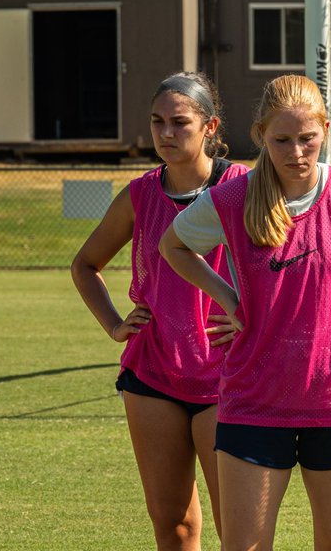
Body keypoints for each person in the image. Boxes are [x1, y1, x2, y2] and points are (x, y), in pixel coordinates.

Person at [159, 74, 331, 550]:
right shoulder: (232, 198)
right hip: (254, 403)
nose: (296, 152)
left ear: (325, 130)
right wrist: (228, 297)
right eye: (281, 139)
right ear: (261, 135)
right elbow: (174, 246)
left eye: (307, 138)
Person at [71, 72, 245, 550]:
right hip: (152, 374)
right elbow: (85, 265)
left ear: (210, 127)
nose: (166, 134)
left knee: (239, 529)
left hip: (226, 376)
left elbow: (281, 266)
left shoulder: (242, 186)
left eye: (180, 123)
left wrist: (250, 315)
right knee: (172, 525)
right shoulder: (140, 194)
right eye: (157, 122)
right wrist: (113, 323)